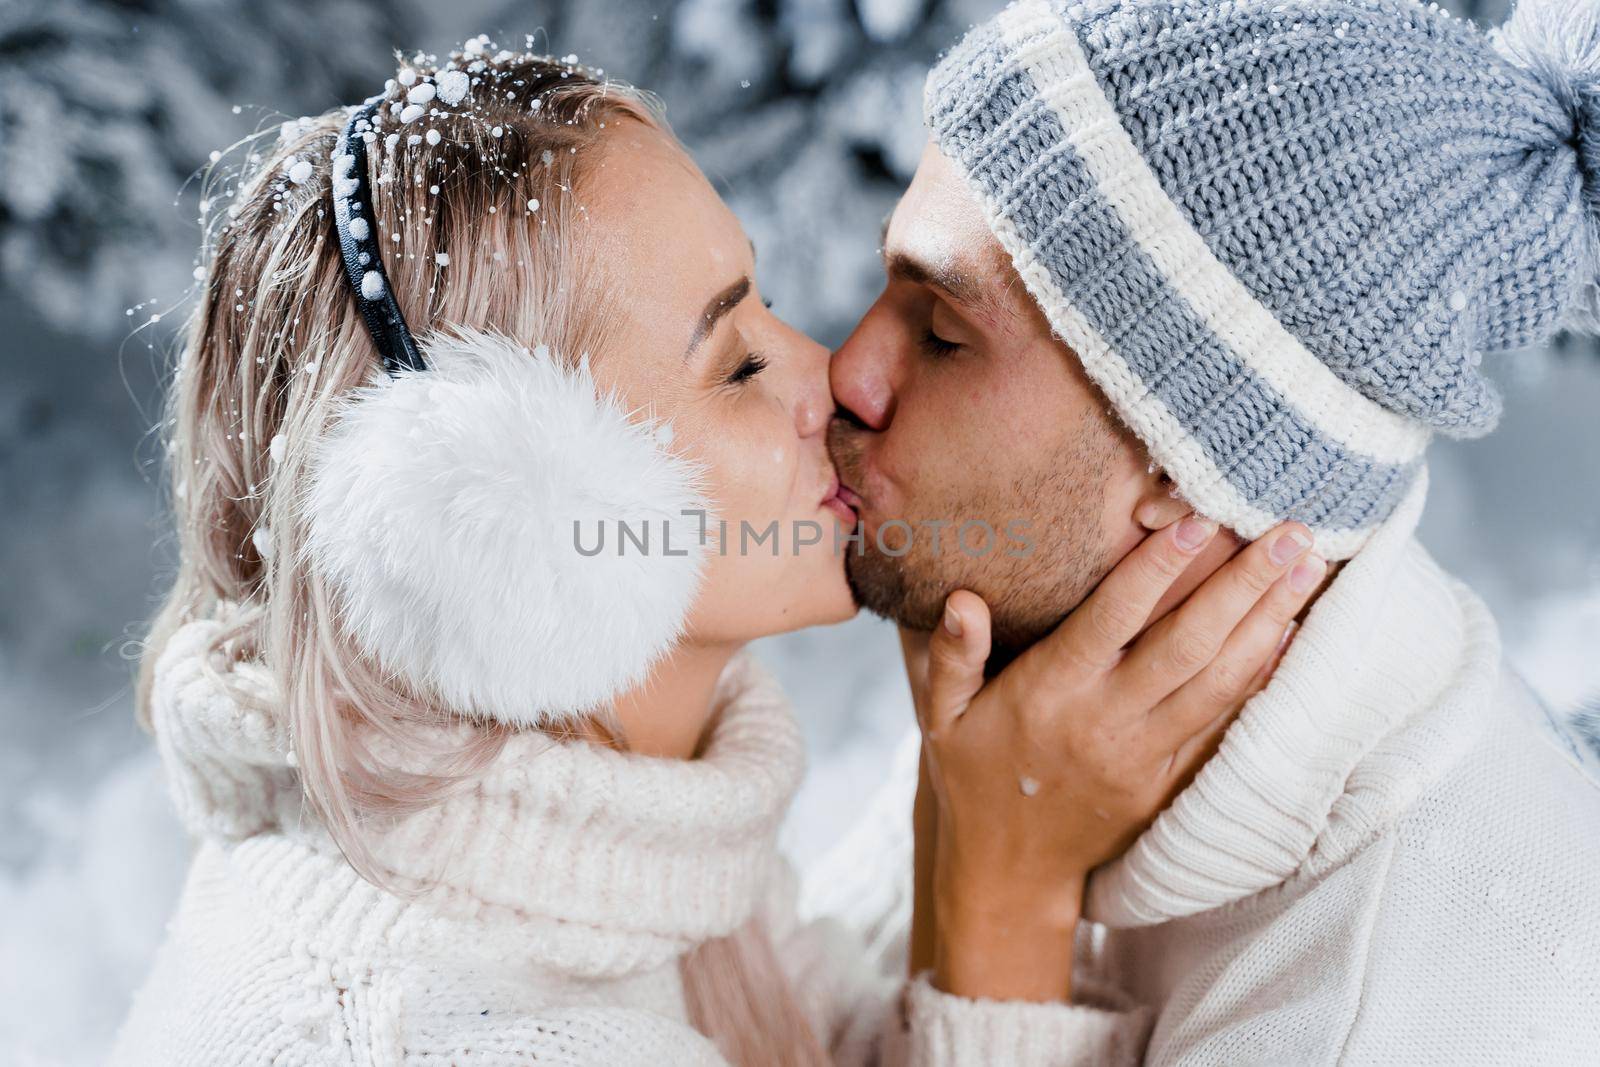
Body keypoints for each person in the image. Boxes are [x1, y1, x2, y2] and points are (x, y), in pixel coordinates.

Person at [110, 43, 1319, 1066]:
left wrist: (975, 822)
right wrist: (1004, 897)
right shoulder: (445, 1034)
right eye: (734, 362)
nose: (831, 372)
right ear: (492, 518)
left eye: (765, 308)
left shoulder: (624, 852)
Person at [816, 0, 1600, 1062]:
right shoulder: (1057, 693)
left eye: (945, 334)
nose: (849, 374)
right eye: (887, 285)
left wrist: (999, 903)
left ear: (1193, 480)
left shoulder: (1398, 1002)